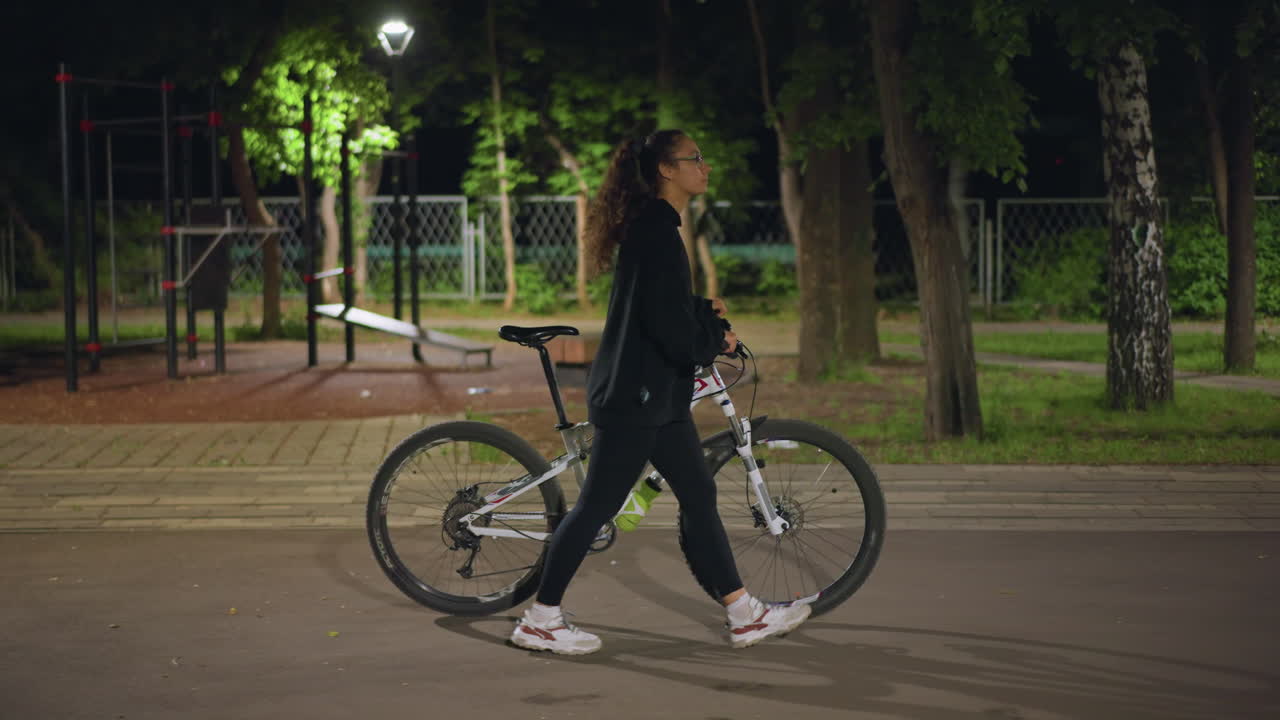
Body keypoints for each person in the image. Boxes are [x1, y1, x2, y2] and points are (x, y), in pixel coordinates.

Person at [509, 130, 811, 655]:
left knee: (699, 494)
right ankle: (540, 618)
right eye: (695, 158)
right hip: (637, 398)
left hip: (659, 397)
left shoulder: (657, 227)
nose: (706, 166)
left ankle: (744, 614)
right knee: (596, 506)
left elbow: (661, 305)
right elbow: (664, 326)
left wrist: (701, 311)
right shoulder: (654, 229)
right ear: (666, 170)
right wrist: (716, 337)